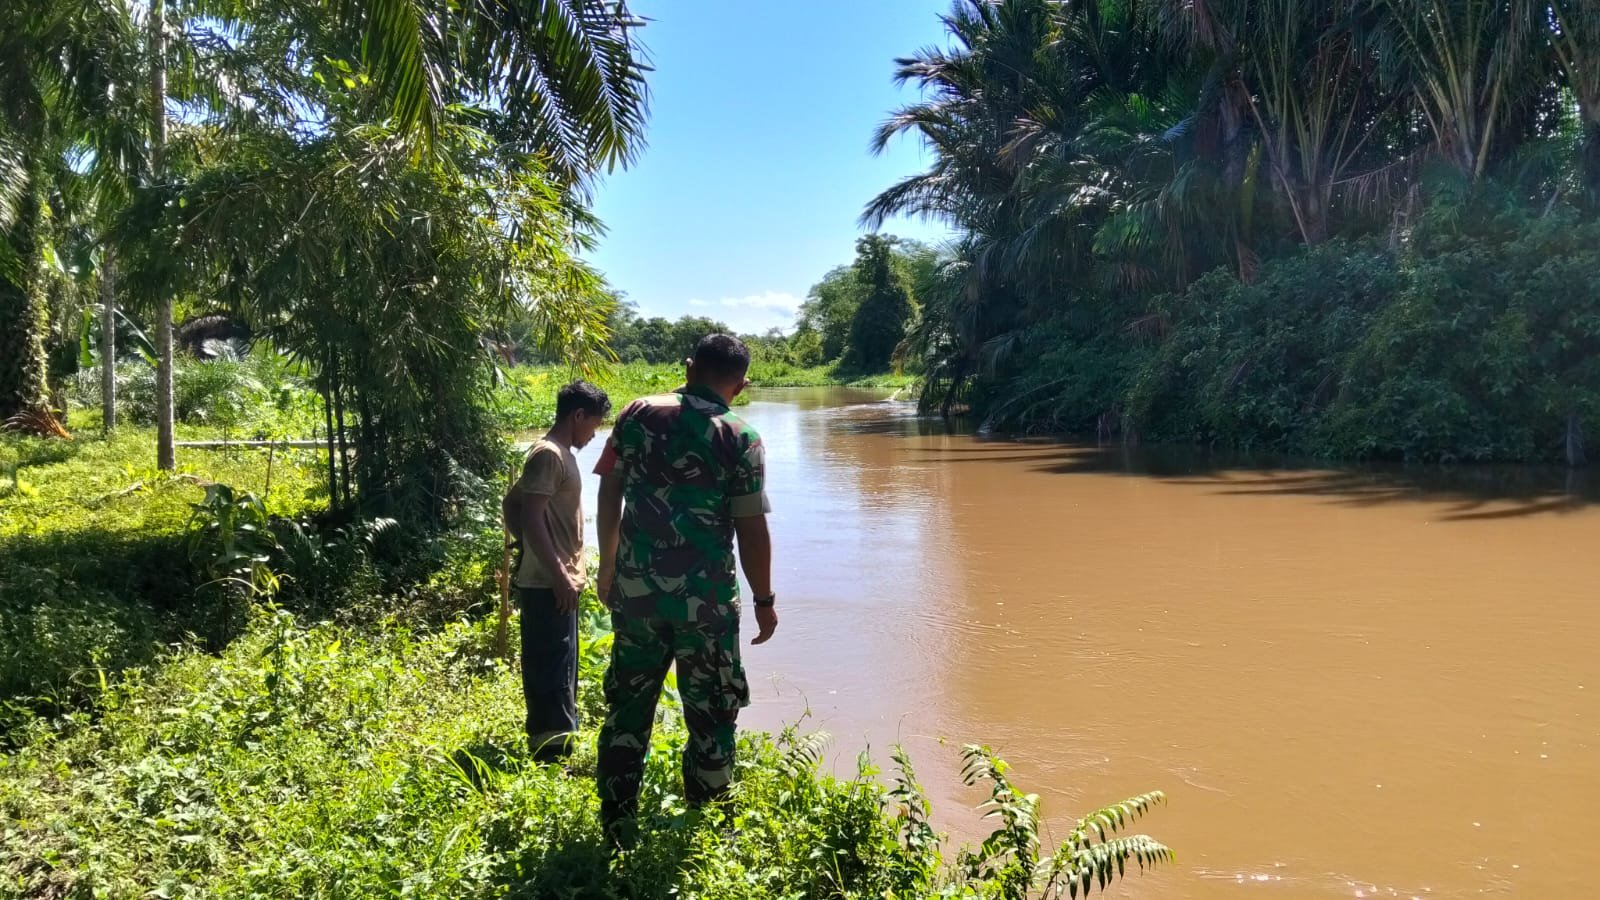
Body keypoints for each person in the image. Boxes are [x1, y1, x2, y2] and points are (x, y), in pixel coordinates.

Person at [593, 333, 778, 843]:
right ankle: (709, 829)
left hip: (636, 596)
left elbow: (609, 491)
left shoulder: (635, 415)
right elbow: (752, 530)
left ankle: (617, 824)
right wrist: (764, 601)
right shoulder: (740, 436)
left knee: (627, 709)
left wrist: (608, 566)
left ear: (689, 367)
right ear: (741, 385)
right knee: (712, 713)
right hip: (707, 606)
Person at [503, 379, 611, 762]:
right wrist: (557, 573)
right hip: (549, 584)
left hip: (554, 581)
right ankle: (550, 755)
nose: (594, 433)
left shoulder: (558, 454)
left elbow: (511, 504)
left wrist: (533, 550)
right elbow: (530, 515)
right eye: (594, 424)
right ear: (577, 415)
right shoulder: (549, 454)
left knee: (561, 664)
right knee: (550, 668)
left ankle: (559, 745)